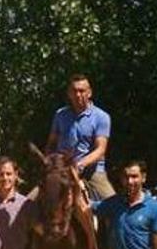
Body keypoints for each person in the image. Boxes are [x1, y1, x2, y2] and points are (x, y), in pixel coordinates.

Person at [46, 73, 114, 201]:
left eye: (81, 91)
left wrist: (80, 165)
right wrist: (49, 163)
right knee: (30, 203)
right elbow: (51, 143)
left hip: (92, 172)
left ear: (89, 93)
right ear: (69, 94)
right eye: (74, 91)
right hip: (61, 169)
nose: (78, 95)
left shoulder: (101, 117)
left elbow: (100, 149)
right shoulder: (60, 115)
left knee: (113, 205)